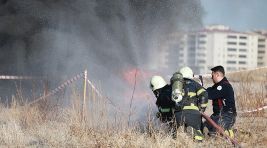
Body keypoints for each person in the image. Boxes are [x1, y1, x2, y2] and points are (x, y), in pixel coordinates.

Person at [172, 66, 208, 142]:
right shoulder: (195, 84)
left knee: (174, 136)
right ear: (191, 75)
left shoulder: (175, 86)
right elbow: (204, 94)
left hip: (178, 114)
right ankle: (197, 142)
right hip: (193, 113)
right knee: (198, 136)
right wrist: (202, 109)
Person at [206, 65, 237, 138]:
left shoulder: (224, 86)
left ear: (217, 75)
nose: (211, 77)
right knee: (204, 128)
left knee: (214, 134)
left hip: (226, 115)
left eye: (212, 75)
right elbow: (209, 90)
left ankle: (232, 133)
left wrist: (201, 91)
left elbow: (210, 94)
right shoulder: (217, 86)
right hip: (217, 115)